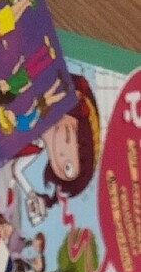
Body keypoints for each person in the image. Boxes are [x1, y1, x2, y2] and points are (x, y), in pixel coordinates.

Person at [10, 74, 100, 225]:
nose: (63, 154)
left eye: (67, 168)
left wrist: (30, 193)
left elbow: (17, 169)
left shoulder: (36, 145)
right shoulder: (41, 92)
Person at [0, 38, 57, 104]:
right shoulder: (13, 90)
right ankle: (50, 57)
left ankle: (45, 47)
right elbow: (21, 90)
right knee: (39, 66)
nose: (0, 80)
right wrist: (28, 85)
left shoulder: (8, 80)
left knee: (34, 58)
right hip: (28, 75)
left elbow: (14, 71)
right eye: (0, 83)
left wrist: (20, 62)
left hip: (24, 69)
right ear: (3, 90)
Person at [0, 77, 68, 135]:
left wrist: (33, 105)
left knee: (45, 96)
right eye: (8, 113)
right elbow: (31, 125)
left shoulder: (18, 118)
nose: (10, 111)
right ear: (10, 121)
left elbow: (27, 114)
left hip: (35, 109)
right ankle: (64, 92)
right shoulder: (20, 126)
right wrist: (37, 114)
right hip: (39, 114)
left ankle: (58, 81)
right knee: (49, 100)